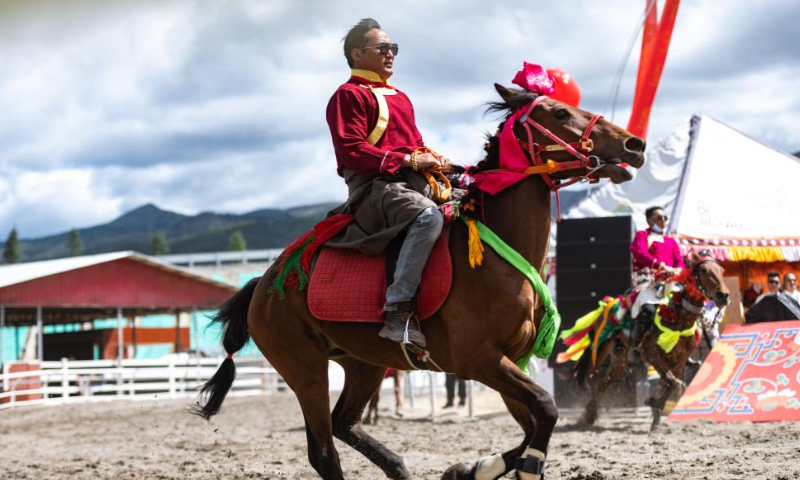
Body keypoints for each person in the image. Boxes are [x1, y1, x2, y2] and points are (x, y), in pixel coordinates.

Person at [326, 19, 454, 349]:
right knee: (428, 217)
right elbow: (352, 150)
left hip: (413, 182)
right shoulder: (347, 95)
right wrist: (408, 161)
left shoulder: (401, 97)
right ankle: (398, 310)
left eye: (393, 48)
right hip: (375, 189)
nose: (390, 53)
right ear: (357, 54)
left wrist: (445, 165)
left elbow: (416, 146)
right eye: (382, 48)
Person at [628, 206, 686, 358]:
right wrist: (660, 266)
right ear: (649, 220)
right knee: (648, 310)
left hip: (669, 284)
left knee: (688, 308)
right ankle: (637, 345)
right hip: (648, 282)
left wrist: (678, 270)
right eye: (659, 217)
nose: (664, 220)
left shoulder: (671, 242)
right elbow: (639, 252)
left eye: (665, 217)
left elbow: (679, 262)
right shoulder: (642, 236)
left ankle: (687, 346)